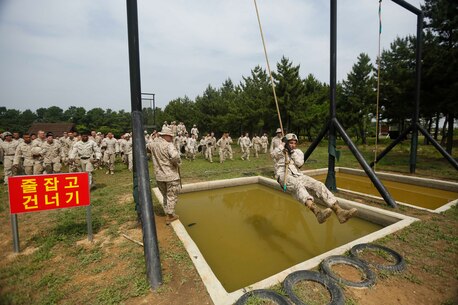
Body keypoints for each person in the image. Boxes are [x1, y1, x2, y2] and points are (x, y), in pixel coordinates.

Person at [272, 133, 357, 224]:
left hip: (298, 175)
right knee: (298, 185)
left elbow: (300, 163)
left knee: (318, 185)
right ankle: (317, 212)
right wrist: (282, 146)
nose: (293, 145)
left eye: (294, 143)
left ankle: (339, 212)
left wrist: (291, 152)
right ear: (286, 142)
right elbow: (273, 155)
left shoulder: (298, 152)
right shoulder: (280, 150)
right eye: (290, 143)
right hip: (284, 176)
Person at [150, 126, 181, 225]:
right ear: (166, 136)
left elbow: (146, 148)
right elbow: (175, 156)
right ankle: (170, 216)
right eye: (171, 136)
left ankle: (167, 212)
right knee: (172, 195)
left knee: (165, 195)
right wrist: (176, 163)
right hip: (171, 175)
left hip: (159, 176)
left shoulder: (153, 144)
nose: (172, 138)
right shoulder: (169, 145)